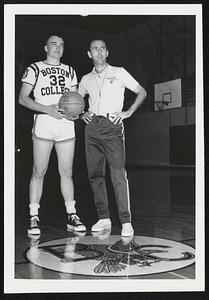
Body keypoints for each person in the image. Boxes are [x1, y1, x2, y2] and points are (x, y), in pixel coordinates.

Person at [78, 38, 147, 237]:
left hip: (113, 126)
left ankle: (126, 221)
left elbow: (141, 91)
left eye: (102, 49)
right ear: (89, 54)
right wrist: (82, 114)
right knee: (95, 176)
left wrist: (129, 111)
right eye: (94, 49)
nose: (99, 52)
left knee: (118, 175)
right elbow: (75, 100)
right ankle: (104, 218)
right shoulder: (85, 79)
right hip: (91, 128)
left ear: (107, 53)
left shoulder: (119, 72)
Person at [19, 34, 86, 235]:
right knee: (39, 171)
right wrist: (47, 109)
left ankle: (72, 215)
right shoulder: (34, 68)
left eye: (61, 45)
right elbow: (23, 99)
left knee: (67, 172)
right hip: (44, 122)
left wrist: (75, 114)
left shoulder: (70, 71)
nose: (57, 47)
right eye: (53, 44)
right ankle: (33, 216)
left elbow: (76, 100)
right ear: (45, 47)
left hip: (65, 124)